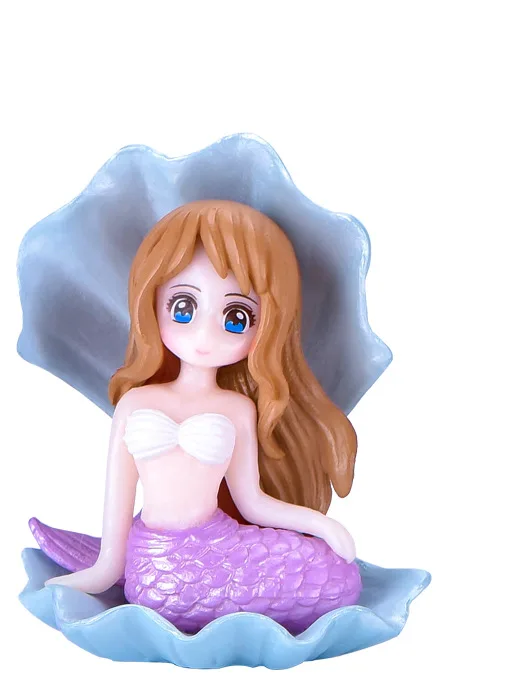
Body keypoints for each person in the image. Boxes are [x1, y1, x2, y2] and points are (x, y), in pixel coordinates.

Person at [30, 200, 362, 634]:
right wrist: (102, 571)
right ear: (152, 302)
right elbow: (117, 510)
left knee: (334, 576)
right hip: (158, 567)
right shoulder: (136, 403)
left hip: (221, 545)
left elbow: (252, 502)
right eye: (184, 307)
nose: (205, 335)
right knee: (316, 582)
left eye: (236, 317)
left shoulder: (237, 408)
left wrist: (322, 525)